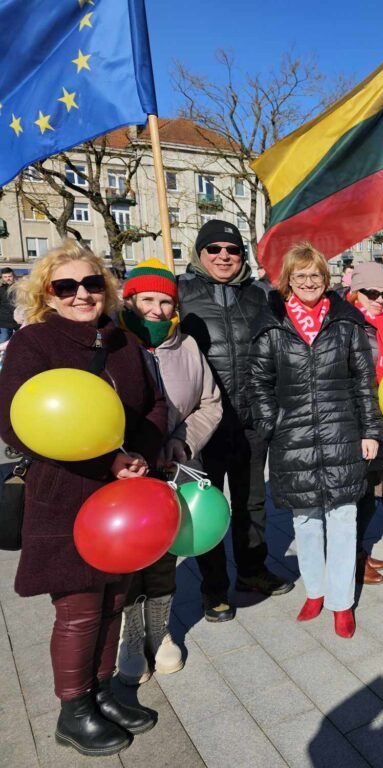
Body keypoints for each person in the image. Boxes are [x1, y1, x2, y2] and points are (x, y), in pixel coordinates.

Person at [0, 241, 166, 756]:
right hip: (65, 496)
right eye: (65, 286)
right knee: (78, 606)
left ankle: (100, 691)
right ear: (47, 294)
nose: (81, 295)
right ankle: (73, 711)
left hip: (122, 497)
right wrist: (105, 461)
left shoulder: (121, 342)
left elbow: (154, 404)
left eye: (92, 284)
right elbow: (14, 422)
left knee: (115, 597)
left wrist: (139, 454)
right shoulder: (34, 344)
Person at [249, 243, 383, 637]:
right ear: (288, 282)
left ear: (327, 281)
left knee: (342, 519)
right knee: (305, 520)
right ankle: (315, 590)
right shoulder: (271, 325)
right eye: (300, 276)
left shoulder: (346, 323)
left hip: (342, 432)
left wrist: (371, 431)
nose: (308, 282)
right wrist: (270, 421)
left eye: (315, 275)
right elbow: (258, 382)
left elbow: (364, 382)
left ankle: (341, 602)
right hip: (292, 438)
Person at [178, 219, 294, 623]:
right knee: (206, 506)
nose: (224, 256)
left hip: (250, 420)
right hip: (203, 424)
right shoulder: (181, 293)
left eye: (232, 250)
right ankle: (213, 589)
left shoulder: (259, 295)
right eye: (214, 249)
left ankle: (251, 570)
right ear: (199, 253)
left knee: (251, 502)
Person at [115, 259, 223, 686]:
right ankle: (131, 635)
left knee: (164, 555)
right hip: (122, 474)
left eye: (165, 301)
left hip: (172, 469)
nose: (157, 310)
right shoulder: (113, 343)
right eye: (148, 300)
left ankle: (160, 632)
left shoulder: (187, 347)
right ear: (131, 301)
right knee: (126, 558)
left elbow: (210, 402)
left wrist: (185, 439)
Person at [342, 261, 383, 576]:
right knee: (356, 496)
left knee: (368, 493)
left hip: (381, 421)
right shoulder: (348, 324)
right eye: (371, 293)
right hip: (355, 424)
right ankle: (351, 559)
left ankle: (359, 552)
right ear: (355, 293)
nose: (379, 300)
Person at [0, 267, 19, 341]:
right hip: (4, 321)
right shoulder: (1, 289)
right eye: (5, 277)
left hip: (18, 320)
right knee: (4, 339)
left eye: (9, 276)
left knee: (19, 341)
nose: (8, 278)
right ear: (2, 277)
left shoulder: (20, 288)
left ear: (13, 276)